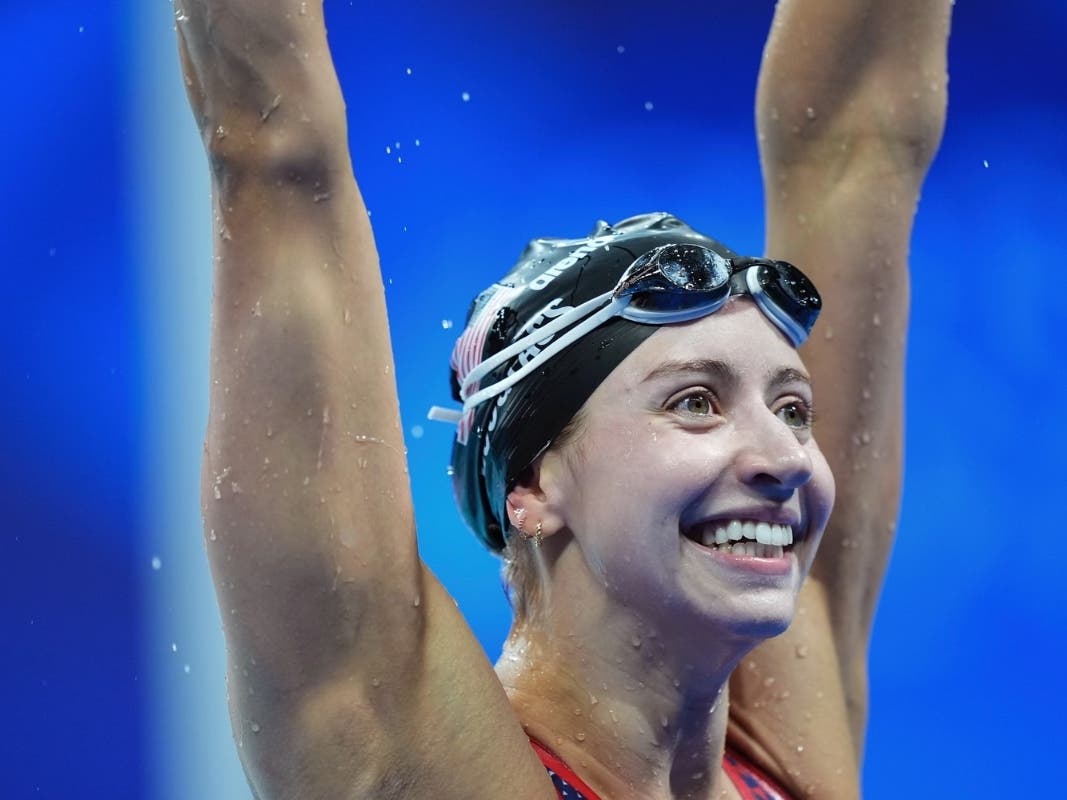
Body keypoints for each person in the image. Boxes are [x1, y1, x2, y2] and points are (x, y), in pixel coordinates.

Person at [175, 0, 950, 797]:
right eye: (694, 402)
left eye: (793, 410)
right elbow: (272, 143)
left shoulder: (783, 760)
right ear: (533, 484)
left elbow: (860, 149)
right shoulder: (401, 756)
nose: (787, 458)